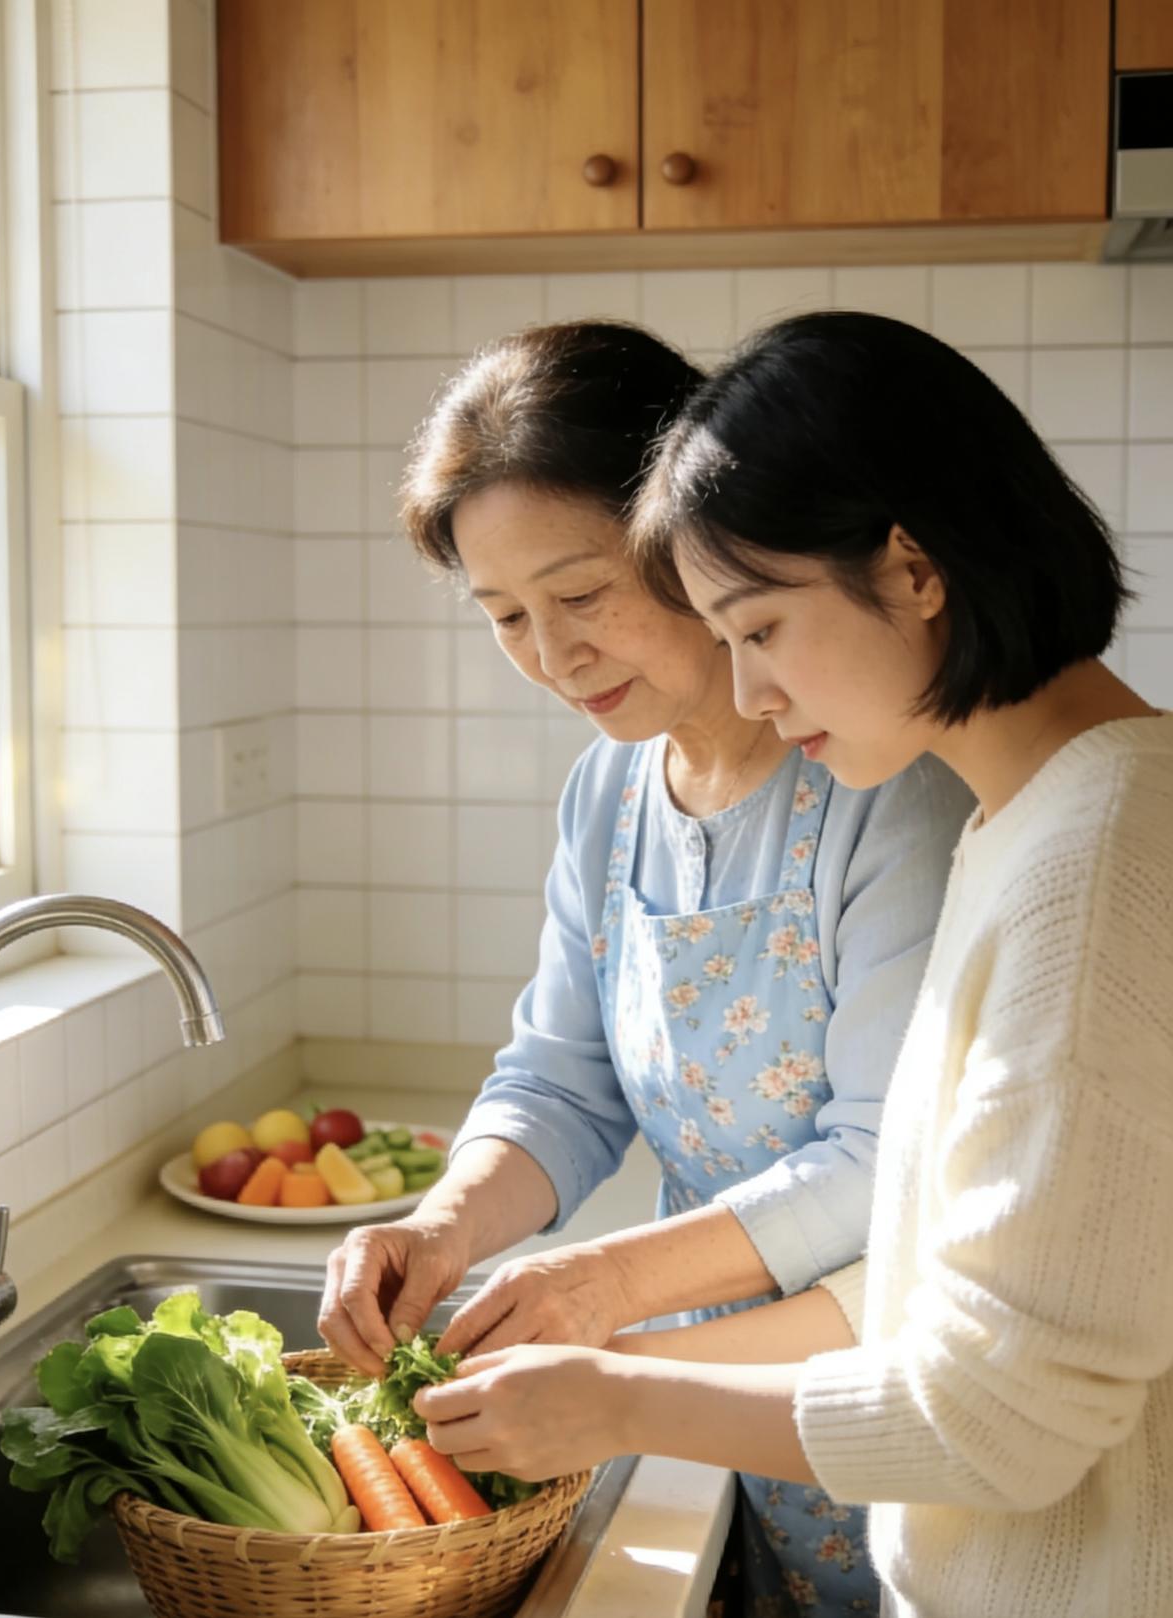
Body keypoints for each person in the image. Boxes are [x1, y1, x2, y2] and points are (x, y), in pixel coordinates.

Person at [411, 312, 1173, 1618]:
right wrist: (485, 1249)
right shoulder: (1033, 824)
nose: (752, 691)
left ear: (913, 568)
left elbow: (1002, 1413)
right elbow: (943, 1269)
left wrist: (622, 1381)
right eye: (505, 616)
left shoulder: (1078, 865)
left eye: (758, 626)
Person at [320, 320, 973, 1616]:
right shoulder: (609, 792)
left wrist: (606, 1283)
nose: (552, 655)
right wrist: (444, 1225)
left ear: (692, 534)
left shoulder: (889, 786)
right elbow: (562, 1080)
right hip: (696, 1403)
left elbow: (880, 1162)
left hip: (877, 1403)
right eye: (506, 615)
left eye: (581, 595)